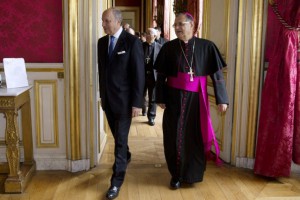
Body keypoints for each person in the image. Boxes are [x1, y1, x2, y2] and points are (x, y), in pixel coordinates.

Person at [154, 12, 228, 189]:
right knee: (174, 136)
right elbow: (161, 76)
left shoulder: (207, 46)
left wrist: (222, 99)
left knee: (194, 137)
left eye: (181, 24)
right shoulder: (169, 47)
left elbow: (217, 76)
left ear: (192, 25)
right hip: (173, 99)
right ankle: (176, 175)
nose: (177, 28)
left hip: (197, 101)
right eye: (175, 25)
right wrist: (160, 97)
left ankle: (193, 174)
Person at [97, 8, 145, 199]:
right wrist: (102, 96)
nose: (103, 24)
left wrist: (137, 103)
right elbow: (103, 72)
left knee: (120, 142)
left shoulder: (132, 42)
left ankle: (116, 182)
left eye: (107, 21)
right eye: (103, 21)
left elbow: (139, 75)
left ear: (118, 21)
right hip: (108, 101)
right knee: (118, 137)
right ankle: (127, 154)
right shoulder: (101, 43)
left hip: (125, 103)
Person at [142, 28, 162, 126]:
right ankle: (143, 109)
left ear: (154, 36)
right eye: (146, 33)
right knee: (141, 95)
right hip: (142, 75)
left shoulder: (159, 47)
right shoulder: (140, 46)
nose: (147, 35)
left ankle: (151, 117)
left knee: (153, 97)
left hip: (154, 76)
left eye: (149, 34)